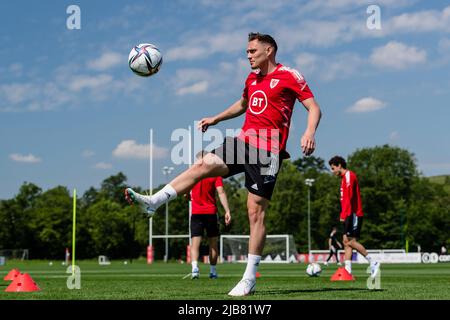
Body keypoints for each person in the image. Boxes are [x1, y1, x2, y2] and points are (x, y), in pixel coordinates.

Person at [125, 32, 322, 296]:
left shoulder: (289, 75)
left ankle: (249, 278)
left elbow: (314, 108)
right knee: (203, 165)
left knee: (255, 211)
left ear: (269, 50)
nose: (248, 56)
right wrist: (216, 118)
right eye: (247, 52)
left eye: (252, 51)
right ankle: (154, 202)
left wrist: (309, 132)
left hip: (268, 149)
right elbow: (243, 104)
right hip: (243, 141)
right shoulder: (252, 79)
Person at [328, 156, 380, 279]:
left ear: (339, 165)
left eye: (333, 168)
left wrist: (344, 214)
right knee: (346, 242)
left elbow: (349, 197)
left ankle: (373, 261)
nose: (332, 171)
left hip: (353, 213)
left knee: (351, 241)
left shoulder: (349, 176)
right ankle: (348, 271)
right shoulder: (343, 178)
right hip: (349, 213)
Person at [188, 175, 231, 279]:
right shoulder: (215, 175)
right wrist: (227, 210)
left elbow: (186, 194)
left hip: (196, 213)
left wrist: (189, 196)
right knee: (213, 244)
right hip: (211, 213)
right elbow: (221, 192)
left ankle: (195, 269)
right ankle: (212, 271)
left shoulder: (195, 173)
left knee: (195, 244)